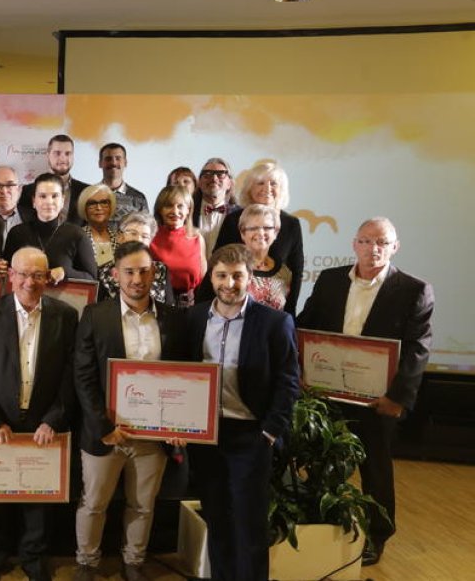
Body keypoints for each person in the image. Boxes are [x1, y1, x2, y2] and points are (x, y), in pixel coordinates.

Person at [296, 217, 434, 566]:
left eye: (382, 242)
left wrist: (398, 398)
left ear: (395, 247)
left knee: (376, 470)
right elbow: (305, 326)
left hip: (379, 400)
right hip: (327, 394)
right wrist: (301, 371)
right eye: (366, 241)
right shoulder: (329, 280)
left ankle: (376, 536)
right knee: (322, 461)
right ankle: (322, 526)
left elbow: (418, 349)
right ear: (354, 244)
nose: (374, 249)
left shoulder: (414, 289)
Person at [72, 241, 189, 581]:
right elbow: (83, 375)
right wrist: (101, 424)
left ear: (154, 273)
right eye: (129, 271)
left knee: (143, 504)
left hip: (153, 437)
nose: (137, 278)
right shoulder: (95, 315)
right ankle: (87, 563)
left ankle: (133, 562)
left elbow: (183, 377)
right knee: (93, 503)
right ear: (115, 274)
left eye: (143, 270)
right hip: (107, 432)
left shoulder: (174, 319)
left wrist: (180, 425)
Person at [186, 244, 300, 581]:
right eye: (222, 275)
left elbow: (288, 381)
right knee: (217, 516)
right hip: (206, 436)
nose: (229, 283)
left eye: (237, 276)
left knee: (249, 523)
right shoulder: (194, 318)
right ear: (212, 276)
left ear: (250, 277)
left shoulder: (274, 323)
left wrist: (269, 432)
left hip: (250, 435)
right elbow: (179, 373)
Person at [0, 247, 78, 581]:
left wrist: (54, 419)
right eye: (24, 274)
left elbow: (72, 374)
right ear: (10, 276)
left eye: (38, 274)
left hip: (43, 421)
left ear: (48, 278)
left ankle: (33, 557)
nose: (30, 281)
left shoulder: (66, 315)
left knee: (39, 496)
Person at [214, 160, 304, 312]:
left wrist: (290, 311)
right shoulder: (233, 220)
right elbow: (217, 261)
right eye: (260, 183)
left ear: (281, 189)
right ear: (250, 188)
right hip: (231, 308)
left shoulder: (291, 224)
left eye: (273, 183)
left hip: (276, 311)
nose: (267, 188)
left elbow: (296, 271)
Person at [3, 173, 97, 282]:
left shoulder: (77, 235)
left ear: (62, 200)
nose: (49, 202)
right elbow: (7, 274)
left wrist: (65, 273)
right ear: (34, 201)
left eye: (55, 196)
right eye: (42, 196)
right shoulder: (16, 233)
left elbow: (92, 278)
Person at [201, 204, 292, 312]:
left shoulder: (285, 272)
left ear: (276, 232)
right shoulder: (224, 265)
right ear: (243, 233)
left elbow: (287, 311)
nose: (260, 233)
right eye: (253, 228)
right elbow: (203, 304)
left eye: (267, 228)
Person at [97, 211, 172, 304]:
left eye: (145, 236)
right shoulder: (104, 271)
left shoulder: (160, 269)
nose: (139, 240)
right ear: (120, 237)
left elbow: (170, 308)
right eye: (133, 233)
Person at [149, 186, 205, 307]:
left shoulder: (197, 238)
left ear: (188, 210)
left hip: (191, 305)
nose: (175, 211)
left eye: (180, 206)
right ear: (160, 210)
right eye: (169, 206)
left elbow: (203, 279)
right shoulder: (149, 237)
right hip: (158, 305)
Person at [19, 134, 91, 225]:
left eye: (68, 153)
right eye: (57, 153)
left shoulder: (87, 192)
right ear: (48, 155)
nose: (62, 158)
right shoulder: (27, 191)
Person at [191, 158, 238, 253]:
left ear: (229, 183)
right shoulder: (186, 212)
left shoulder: (240, 215)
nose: (214, 178)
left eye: (221, 174)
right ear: (199, 183)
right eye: (207, 174)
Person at [97, 143, 148, 221]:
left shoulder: (139, 198)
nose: (113, 163)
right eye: (108, 159)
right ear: (100, 163)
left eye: (118, 158)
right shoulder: (88, 195)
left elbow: (145, 228)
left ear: (125, 163)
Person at [77, 183, 117, 267]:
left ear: (111, 206)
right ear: (84, 207)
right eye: (92, 203)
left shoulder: (119, 239)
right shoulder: (76, 238)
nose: (98, 208)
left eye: (104, 202)